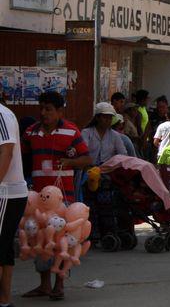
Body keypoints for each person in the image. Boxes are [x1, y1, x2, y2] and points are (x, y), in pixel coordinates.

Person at [21, 92, 91, 300]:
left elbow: (87, 158)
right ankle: (44, 285)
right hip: (37, 199)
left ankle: (59, 284)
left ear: (60, 111)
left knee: (63, 240)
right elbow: (21, 155)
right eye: (41, 108)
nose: (43, 113)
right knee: (39, 238)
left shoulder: (71, 131)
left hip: (64, 198)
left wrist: (70, 163)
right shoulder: (31, 133)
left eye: (48, 109)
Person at [0, 102, 35, 307]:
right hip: (7, 193)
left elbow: (6, 152)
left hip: (6, 193)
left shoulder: (2, 115)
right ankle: (4, 300)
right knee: (3, 250)